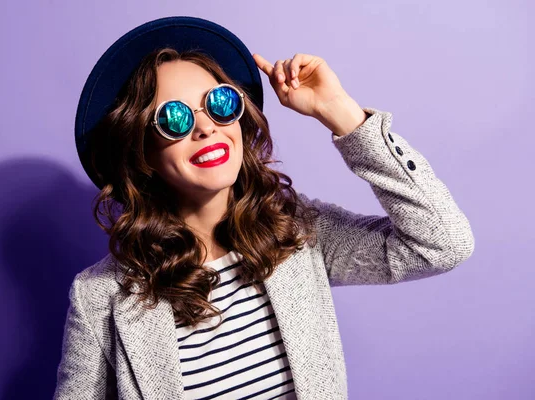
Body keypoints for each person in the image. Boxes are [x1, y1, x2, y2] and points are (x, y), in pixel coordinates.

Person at [54, 16, 474, 400]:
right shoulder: (100, 299)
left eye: (220, 103)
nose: (206, 127)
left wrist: (343, 115)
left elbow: (442, 243)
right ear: (141, 152)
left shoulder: (298, 235)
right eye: (176, 119)